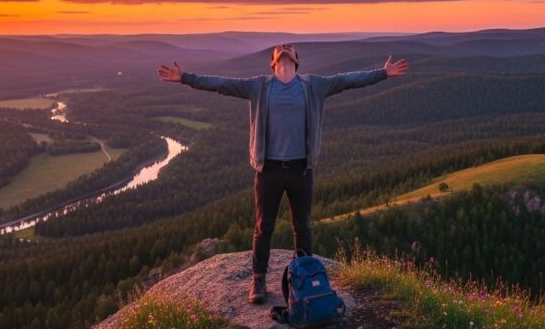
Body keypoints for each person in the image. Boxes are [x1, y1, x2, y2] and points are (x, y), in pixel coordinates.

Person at [157, 43, 408, 303]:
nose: (285, 48)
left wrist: (383, 73)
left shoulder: (313, 86)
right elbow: (221, 83)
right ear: (272, 62)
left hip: (301, 169)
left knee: (303, 226)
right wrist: (185, 78)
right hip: (269, 171)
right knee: (264, 227)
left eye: (289, 48)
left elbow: (348, 80)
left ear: (296, 60)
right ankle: (258, 280)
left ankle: (305, 280)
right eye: (280, 48)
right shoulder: (259, 86)